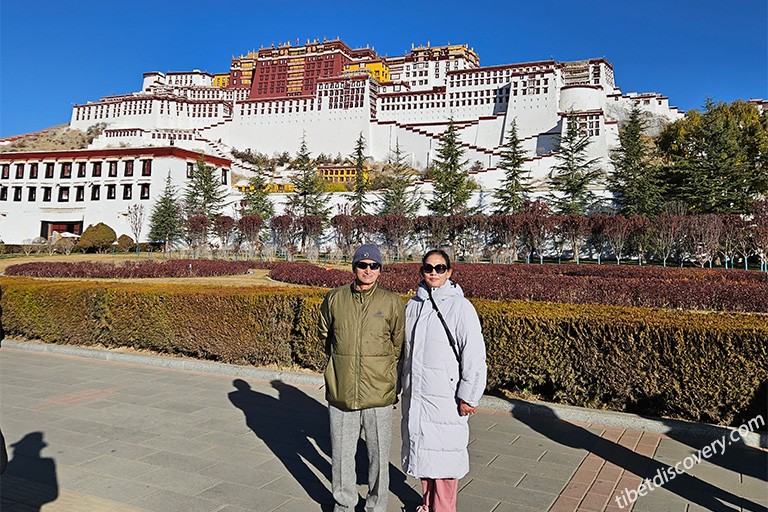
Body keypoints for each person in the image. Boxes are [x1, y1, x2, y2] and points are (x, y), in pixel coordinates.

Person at [319, 243, 405, 512]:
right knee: (342, 454)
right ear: (354, 267)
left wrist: (390, 380)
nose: (367, 270)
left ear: (380, 270)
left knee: (378, 455)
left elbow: (398, 344)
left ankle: (376, 506)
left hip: (378, 390)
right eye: (362, 264)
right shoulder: (335, 298)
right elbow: (325, 336)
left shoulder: (391, 301)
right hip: (342, 388)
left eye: (373, 265)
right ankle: (343, 504)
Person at [400, 249, 487, 512]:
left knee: (446, 460)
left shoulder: (460, 306)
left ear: (449, 272)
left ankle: (444, 509)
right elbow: (404, 353)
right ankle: (427, 504)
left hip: (446, 397)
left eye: (440, 268)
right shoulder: (413, 305)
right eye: (428, 268)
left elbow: (473, 354)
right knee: (424, 453)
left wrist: (469, 395)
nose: (434, 273)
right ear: (421, 271)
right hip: (417, 394)